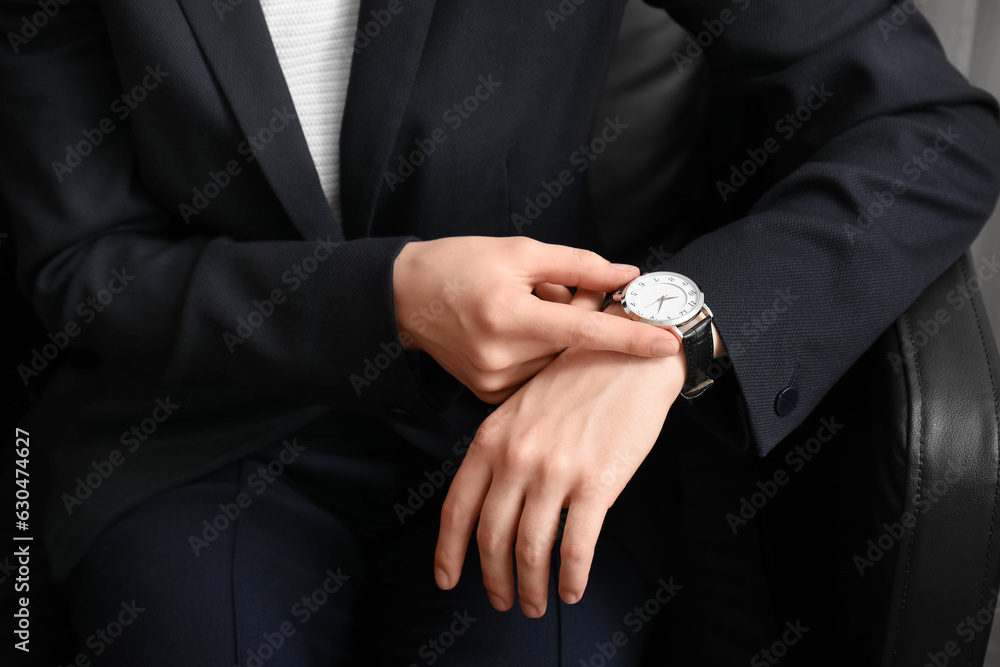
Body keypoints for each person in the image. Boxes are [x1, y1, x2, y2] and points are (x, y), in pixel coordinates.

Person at [2, 0, 999, 664]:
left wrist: (666, 337)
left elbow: (930, 131)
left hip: (540, 420)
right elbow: (81, 264)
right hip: (197, 427)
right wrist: (386, 296)